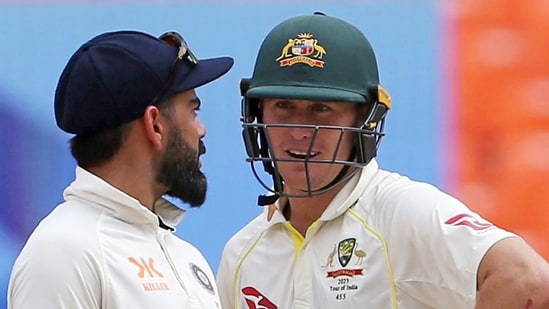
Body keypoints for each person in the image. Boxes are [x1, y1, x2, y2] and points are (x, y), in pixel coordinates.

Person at [217, 12, 549, 308]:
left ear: (364, 121)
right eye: (284, 107)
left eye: (322, 109)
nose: (300, 132)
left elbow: (527, 279)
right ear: (258, 115)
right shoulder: (243, 254)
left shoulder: (403, 213)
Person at [8, 30, 233, 308]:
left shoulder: (186, 256)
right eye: (193, 111)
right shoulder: (63, 254)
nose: (201, 130)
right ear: (155, 125)